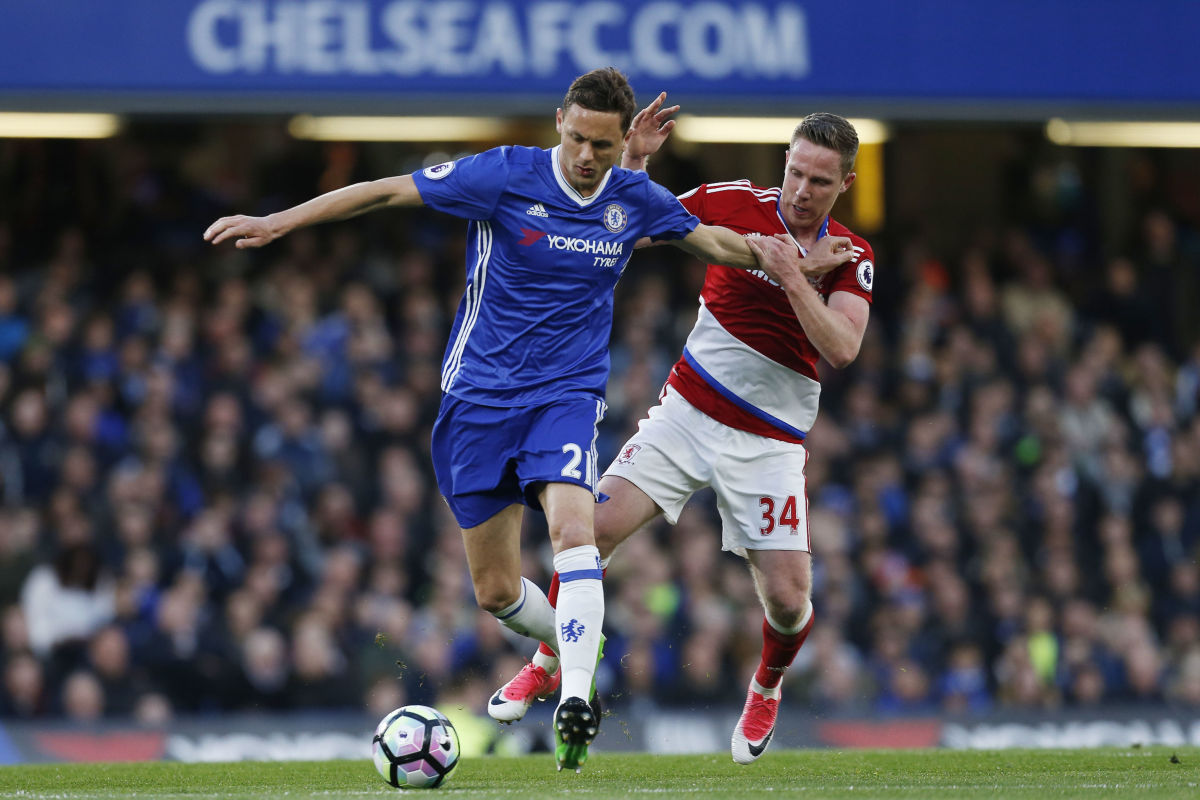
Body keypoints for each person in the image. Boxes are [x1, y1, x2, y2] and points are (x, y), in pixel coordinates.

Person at [204, 68, 854, 772]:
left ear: (617, 143)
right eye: (577, 139)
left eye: (602, 146)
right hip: (478, 401)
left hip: (566, 398)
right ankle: (579, 641)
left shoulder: (632, 194)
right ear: (558, 123)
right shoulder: (504, 175)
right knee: (494, 590)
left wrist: (795, 265)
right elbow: (386, 191)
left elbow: (721, 245)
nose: (585, 157)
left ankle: (578, 692)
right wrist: (280, 220)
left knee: (578, 532)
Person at [492, 101, 873, 765]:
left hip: (770, 443)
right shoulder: (733, 201)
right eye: (796, 172)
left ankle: (767, 685)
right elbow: (631, 230)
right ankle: (552, 658)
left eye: (819, 181)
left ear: (845, 184)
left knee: (787, 603)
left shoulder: (851, 255)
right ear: (783, 162)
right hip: (686, 417)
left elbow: (841, 347)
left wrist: (792, 274)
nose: (802, 191)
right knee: (590, 531)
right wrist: (634, 160)